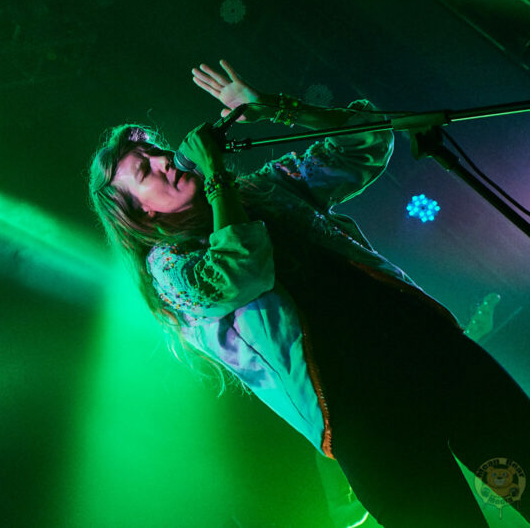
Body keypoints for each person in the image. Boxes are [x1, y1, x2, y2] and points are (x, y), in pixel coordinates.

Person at [87, 60, 530, 528]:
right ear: (144, 214)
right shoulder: (172, 272)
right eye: (145, 170)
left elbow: (366, 139)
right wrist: (215, 173)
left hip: (429, 352)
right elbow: (242, 269)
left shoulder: (264, 190)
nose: (164, 159)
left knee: (523, 472)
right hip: (366, 418)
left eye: (157, 149)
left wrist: (273, 109)